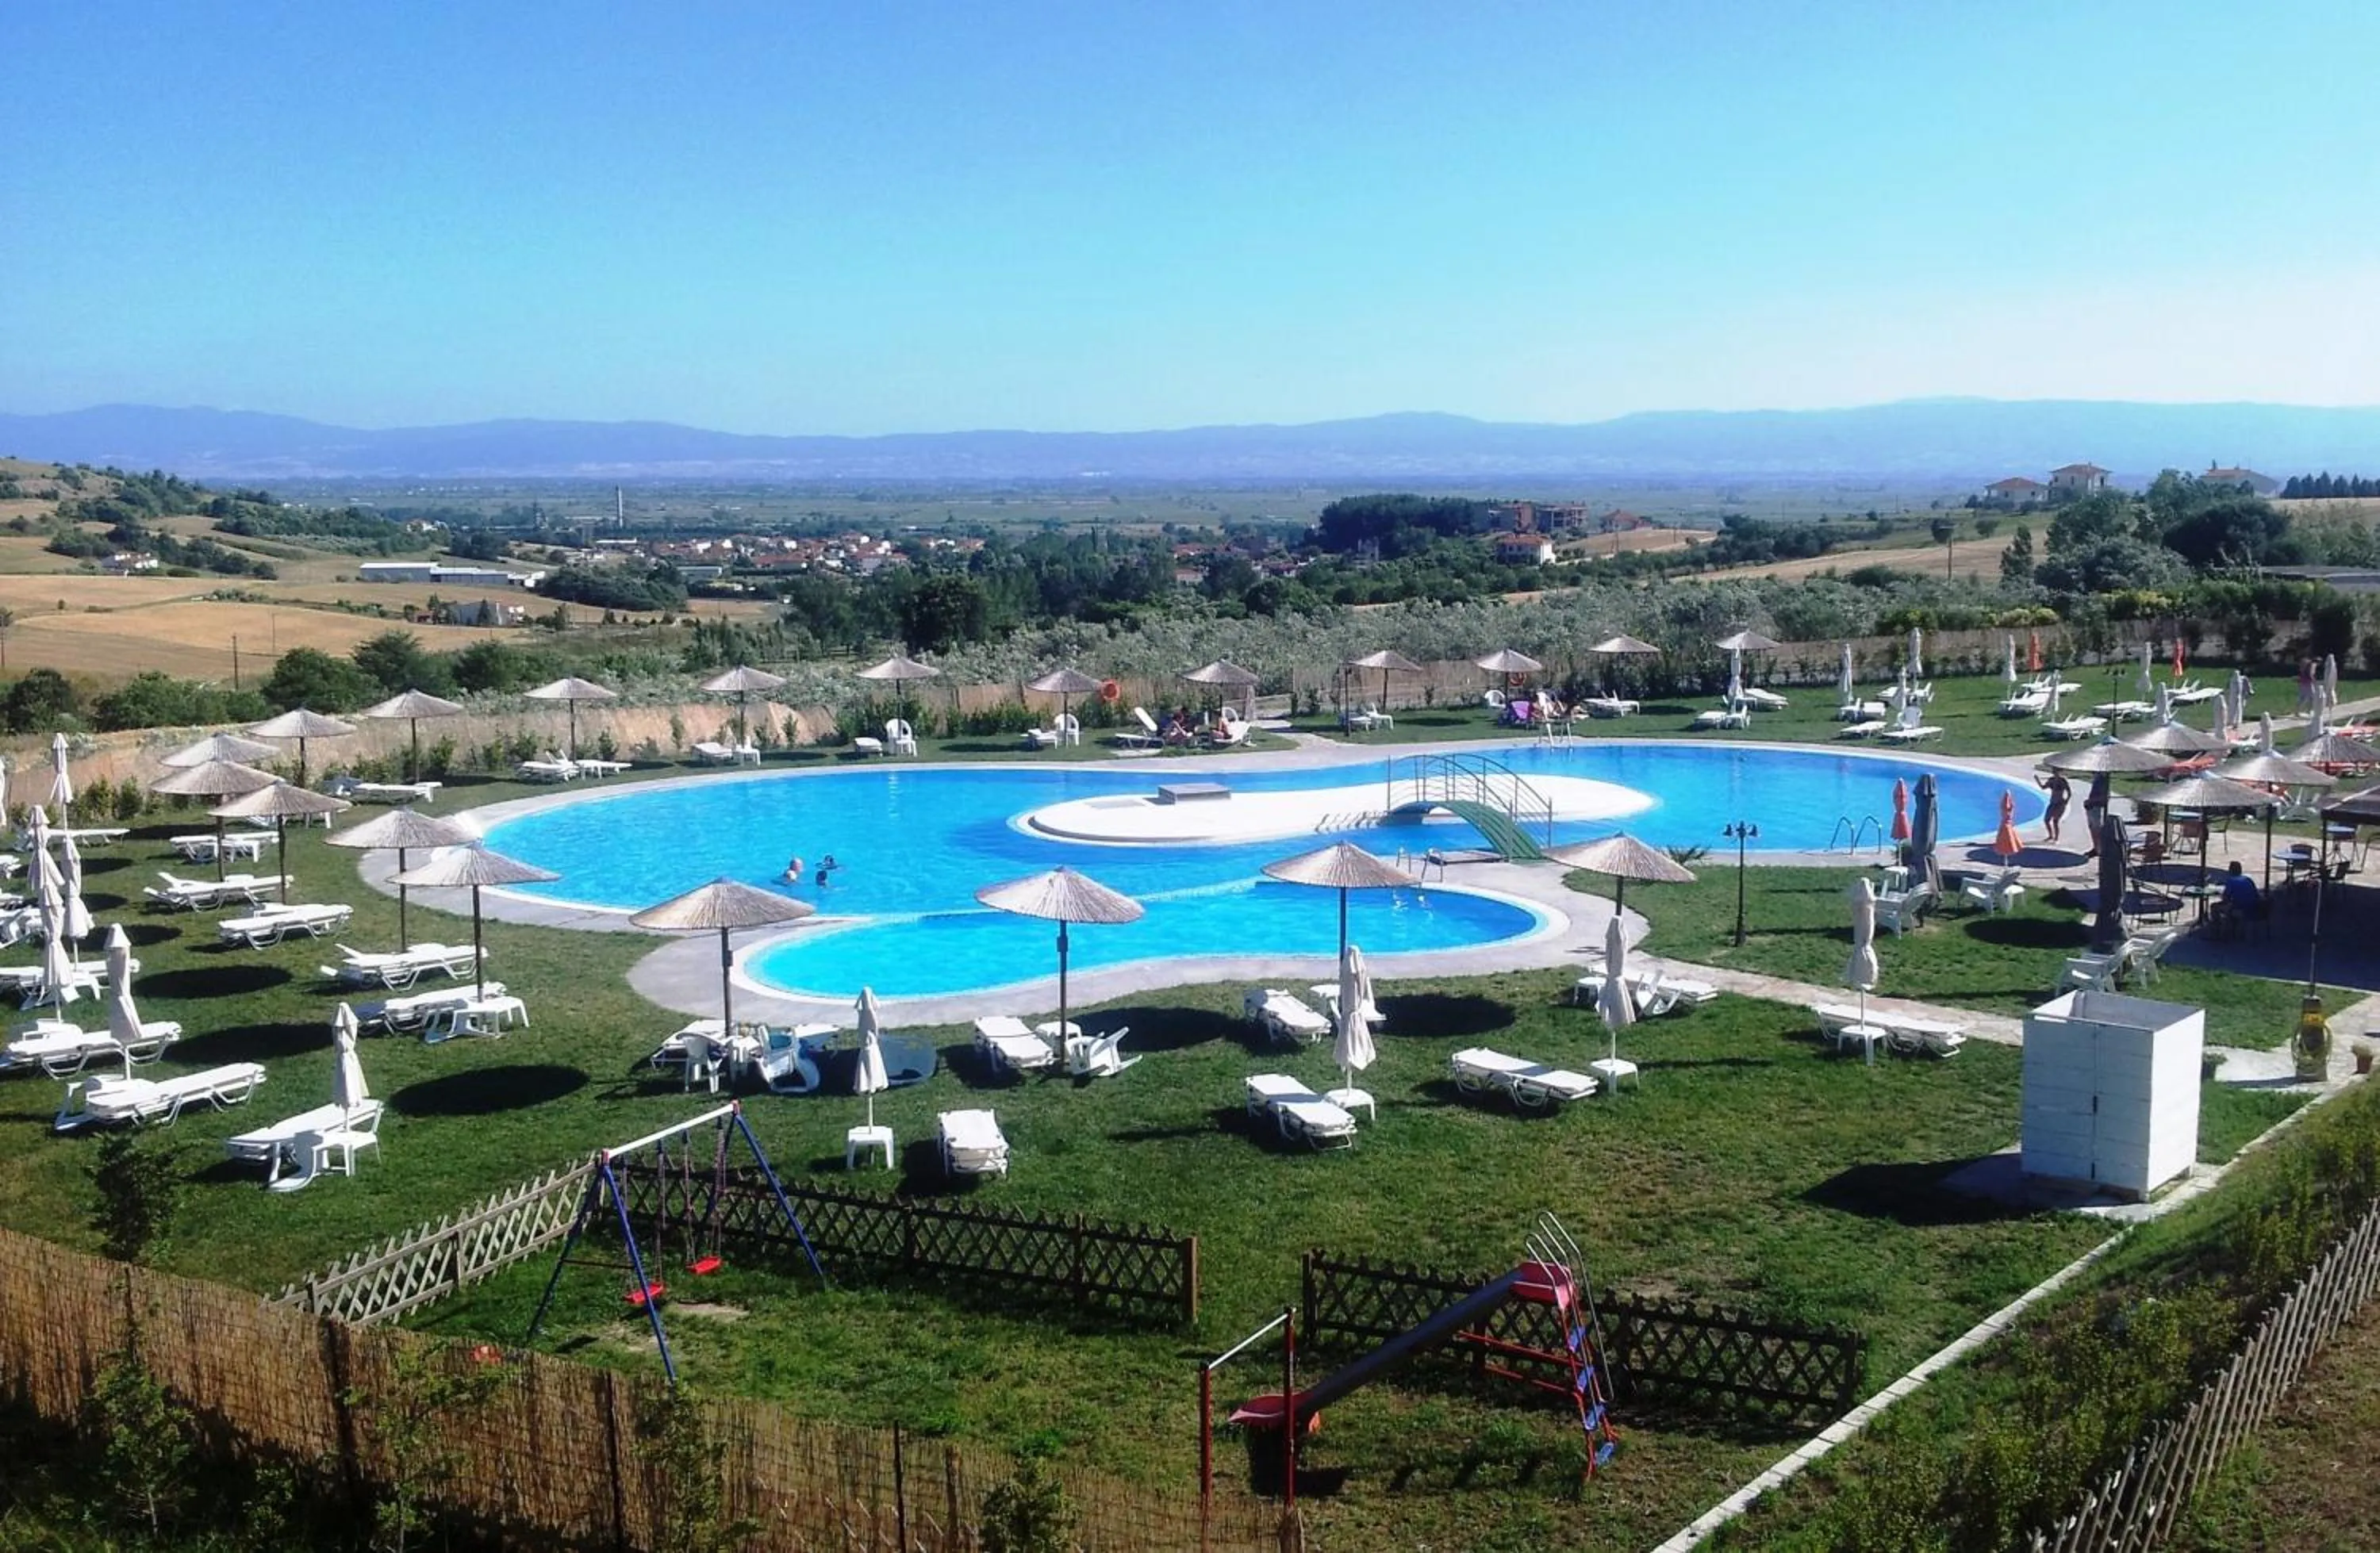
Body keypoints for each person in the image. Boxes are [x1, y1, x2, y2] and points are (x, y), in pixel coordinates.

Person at [2217, 861, 2259, 936]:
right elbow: (2256, 895)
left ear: (2231, 871)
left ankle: (2220, 933)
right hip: (2255, 908)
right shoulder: (2248, 879)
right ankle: (2233, 929)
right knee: (2231, 906)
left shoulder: (2231, 881)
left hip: (2243, 910)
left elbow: (2225, 898)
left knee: (2215, 907)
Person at [2036, 771, 2071, 843]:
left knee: (2055, 821)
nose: (2056, 774)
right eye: (2054, 772)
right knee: (2046, 820)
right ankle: (2050, 836)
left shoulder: (2063, 781)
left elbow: (2069, 792)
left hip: (2060, 803)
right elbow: (2043, 787)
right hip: (2052, 802)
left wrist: (2066, 801)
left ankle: (2056, 838)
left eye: (2057, 772)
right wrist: (2037, 780)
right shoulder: (2051, 780)